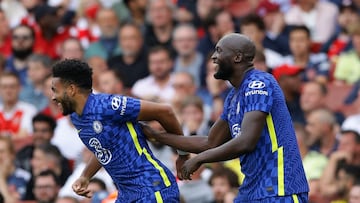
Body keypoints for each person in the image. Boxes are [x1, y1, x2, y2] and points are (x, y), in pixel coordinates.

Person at [141, 33, 309, 202]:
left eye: (219, 51)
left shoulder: (258, 83)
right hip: (253, 189)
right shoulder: (233, 97)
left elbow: (246, 142)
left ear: (237, 57)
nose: (214, 57)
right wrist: (156, 136)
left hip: (280, 186)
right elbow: (210, 142)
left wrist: (199, 159)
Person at [51, 59, 186, 202]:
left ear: (71, 89)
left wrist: (182, 154)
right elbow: (104, 149)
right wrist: (85, 176)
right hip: (126, 195)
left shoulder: (108, 105)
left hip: (151, 188)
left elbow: (165, 111)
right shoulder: (77, 118)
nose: (53, 97)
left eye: (55, 90)